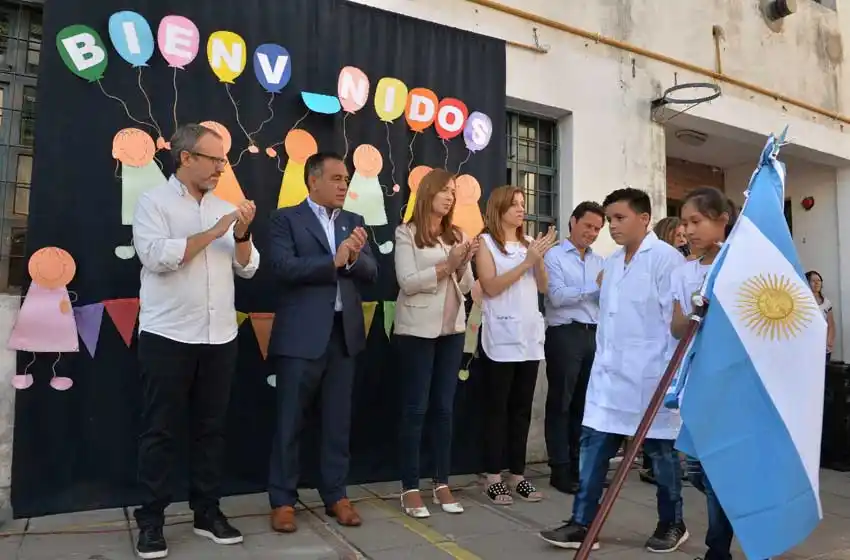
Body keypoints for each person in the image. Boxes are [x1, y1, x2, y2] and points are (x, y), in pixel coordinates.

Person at [131, 123, 260, 559]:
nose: (221, 168)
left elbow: (248, 268)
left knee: (211, 430)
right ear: (186, 158)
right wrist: (215, 229)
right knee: (160, 432)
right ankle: (150, 520)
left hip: (219, 336)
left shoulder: (225, 208)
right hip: (168, 335)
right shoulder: (154, 202)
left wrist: (239, 233)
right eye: (214, 160)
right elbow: (156, 256)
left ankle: (207, 512)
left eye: (224, 161)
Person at [540, 187, 688, 553]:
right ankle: (581, 521)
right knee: (592, 449)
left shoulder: (666, 260)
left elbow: (676, 321)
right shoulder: (610, 263)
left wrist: (672, 374)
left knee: (661, 455)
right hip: (609, 378)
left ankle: (672, 522)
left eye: (619, 218)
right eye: (609, 220)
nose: (612, 227)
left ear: (644, 218)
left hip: (650, 376)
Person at [266, 152, 378, 533]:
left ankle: (336, 495)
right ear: (312, 181)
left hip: (343, 337)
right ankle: (282, 500)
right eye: (336, 178)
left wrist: (352, 258)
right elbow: (282, 268)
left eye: (346, 179)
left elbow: (372, 271)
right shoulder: (286, 219)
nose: (344, 185)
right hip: (301, 337)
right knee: (290, 422)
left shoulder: (354, 222)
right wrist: (334, 260)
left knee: (337, 423)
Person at [669, 187, 751, 560]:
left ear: (723, 220)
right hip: (696, 381)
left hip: (730, 382)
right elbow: (676, 327)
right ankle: (741, 507)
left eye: (696, 221)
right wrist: (695, 314)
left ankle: (718, 550)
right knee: (698, 471)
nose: (688, 230)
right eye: (685, 223)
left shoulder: (741, 266)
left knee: (716, 470)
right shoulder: (683, 272)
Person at [394, 168, 476, 519]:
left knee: (444, 409)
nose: (450, 197)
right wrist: (448, 265)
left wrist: (463, 264)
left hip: (452, 330)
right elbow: (407, 281)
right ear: (428, 192)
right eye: (444, 190)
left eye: (453, 192)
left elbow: (468, 285)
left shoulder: (456, 233)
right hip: (417, 330)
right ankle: (409, 487)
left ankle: (441, 482)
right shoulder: (406, 232)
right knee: (416, 409)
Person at [476, 186, 558, 505]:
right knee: (497, 408)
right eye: (514, 205)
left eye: (523, 204)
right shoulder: (485, 242)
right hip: (501, 335)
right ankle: (493, 476)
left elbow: (543, 286)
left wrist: (537, 259)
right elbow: (492, 286)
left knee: (522, 409)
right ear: (499, 209)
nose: (521, 210)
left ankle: (518, 474)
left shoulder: (527, 244)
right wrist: (527, 262)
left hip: (528, 336)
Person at [542, 201, 605, 495]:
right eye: (587, 226)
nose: (591, 233)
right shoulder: (553, 256)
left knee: (585, 404)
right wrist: (593, 290)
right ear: (573, 221)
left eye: (597, 229)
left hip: (593, 334)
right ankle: (560, 469)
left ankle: (581, 467)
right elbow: (555, 296)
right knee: (561, 403)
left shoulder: (600, 261)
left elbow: (605, 299)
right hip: (564, 333)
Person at [806, 270, 835, 362]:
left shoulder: (826, 303)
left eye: (819, 280)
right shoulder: (802, 301)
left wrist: (829, 342)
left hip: (823, 346)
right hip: (807, 346)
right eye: (813, 281)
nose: (817, 283)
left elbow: (831, 325)